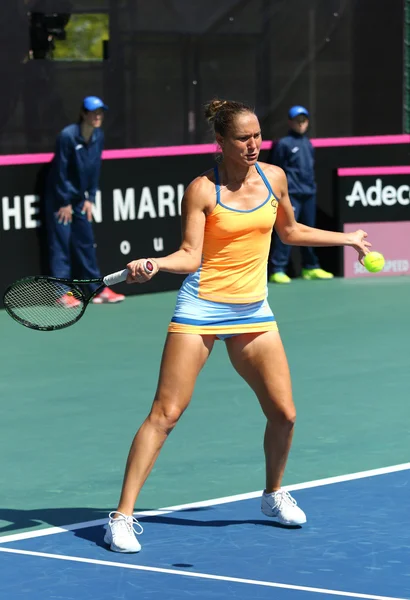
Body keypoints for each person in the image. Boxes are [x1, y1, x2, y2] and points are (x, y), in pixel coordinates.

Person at [104, 99, 371, 553]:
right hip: (201, 307)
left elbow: (289, 232)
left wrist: (346, 238)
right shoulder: (202, 190)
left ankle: (272, 494)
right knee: (166, 414)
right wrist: (155, 264)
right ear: (220, 142)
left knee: (284, 414)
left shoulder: (275, 177)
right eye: (243, 138)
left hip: (253, 311)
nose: (253, 144)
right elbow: (190, 255)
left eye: (257, 135)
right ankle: (121, 518)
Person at [44, 95, 125, 305]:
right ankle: (62, 293)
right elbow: (60, 170)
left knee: (86, 243)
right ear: (83, 114)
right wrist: (64, 202)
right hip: (60, 200)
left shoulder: (98, 136)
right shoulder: (67, 136)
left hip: (81, 200)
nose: (97, 116)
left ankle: (96, 291)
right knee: (61, 245)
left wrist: (90, 197)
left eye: (100, 112)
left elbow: (94, 168)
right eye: (93, 112)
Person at [268, 105, 334, 284]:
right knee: (287, 230)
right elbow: (276, 169)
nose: (301, 123)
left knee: (309, 230)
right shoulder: (283, 144)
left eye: (304, 120)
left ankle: (310, 267)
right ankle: (278, 269)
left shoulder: (308, 143)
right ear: (290, 122)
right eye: (297, 120)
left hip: (309, 193)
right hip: (291, 195)